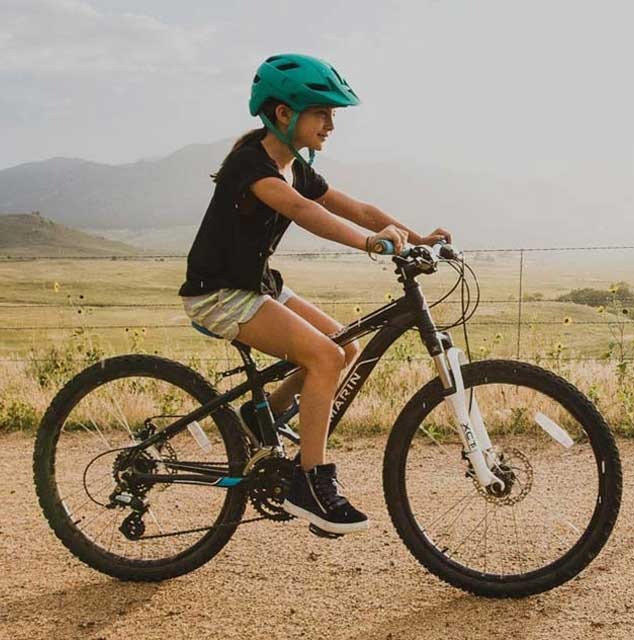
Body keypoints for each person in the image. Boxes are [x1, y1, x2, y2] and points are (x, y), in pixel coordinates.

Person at [179, 53, 451, 536]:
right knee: (325, 358)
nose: (330, 124)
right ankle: (310, 483)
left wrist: (418, 238)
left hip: (256, 286)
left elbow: (359, 208)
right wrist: (370, 243)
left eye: (332, 115)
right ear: (283, 114)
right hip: (219, 294)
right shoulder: (253, 166)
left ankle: (265, 415)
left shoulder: (296, 166)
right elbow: (304, 213)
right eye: (321, 113)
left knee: (343, 346)